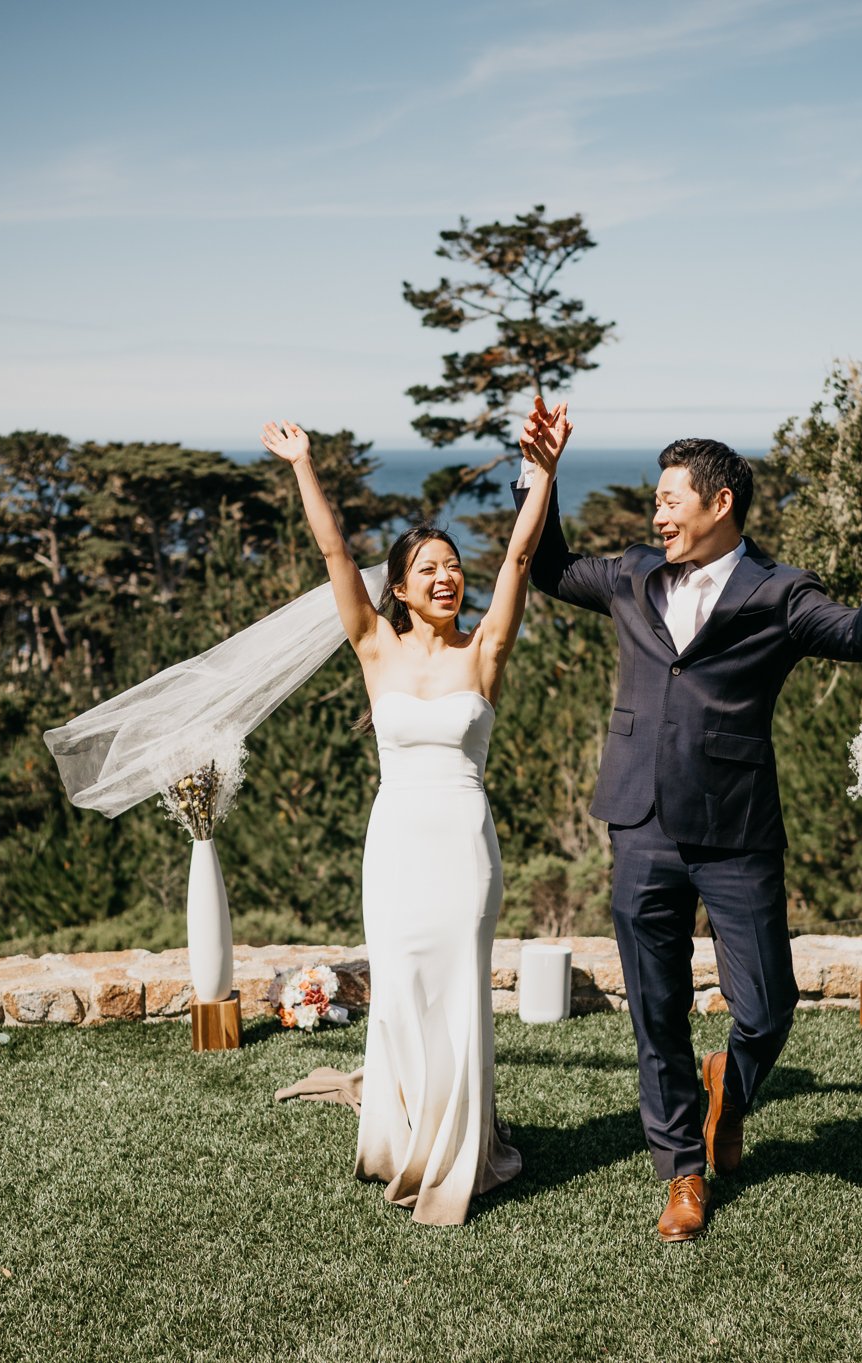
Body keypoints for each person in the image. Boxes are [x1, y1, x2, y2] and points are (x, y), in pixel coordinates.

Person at [514, 397, 862, 1242]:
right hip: (638, 824)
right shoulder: (632, 573)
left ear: (720, 505)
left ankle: (732, 1089)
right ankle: (682, 1173)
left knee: (768, 1007)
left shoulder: (779, 593)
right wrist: (543, 473)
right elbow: (549, 567)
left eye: (672, 499)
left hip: (737, 831)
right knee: (655, 1012)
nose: (657, 512)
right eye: (657, 499)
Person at [261, 406, 569, 1226]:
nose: (446, 576)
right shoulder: (373, 647)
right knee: (400, 990)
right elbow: (332, 550)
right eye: (427, 568)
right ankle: (401, 1135)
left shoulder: (485, 652)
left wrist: (544, 474)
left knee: (458, 993)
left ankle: (462, 1147)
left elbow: (520, 555)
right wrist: (303, 466)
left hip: (466, 850)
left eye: (451, 565)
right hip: (395, 847)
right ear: (396, 587)